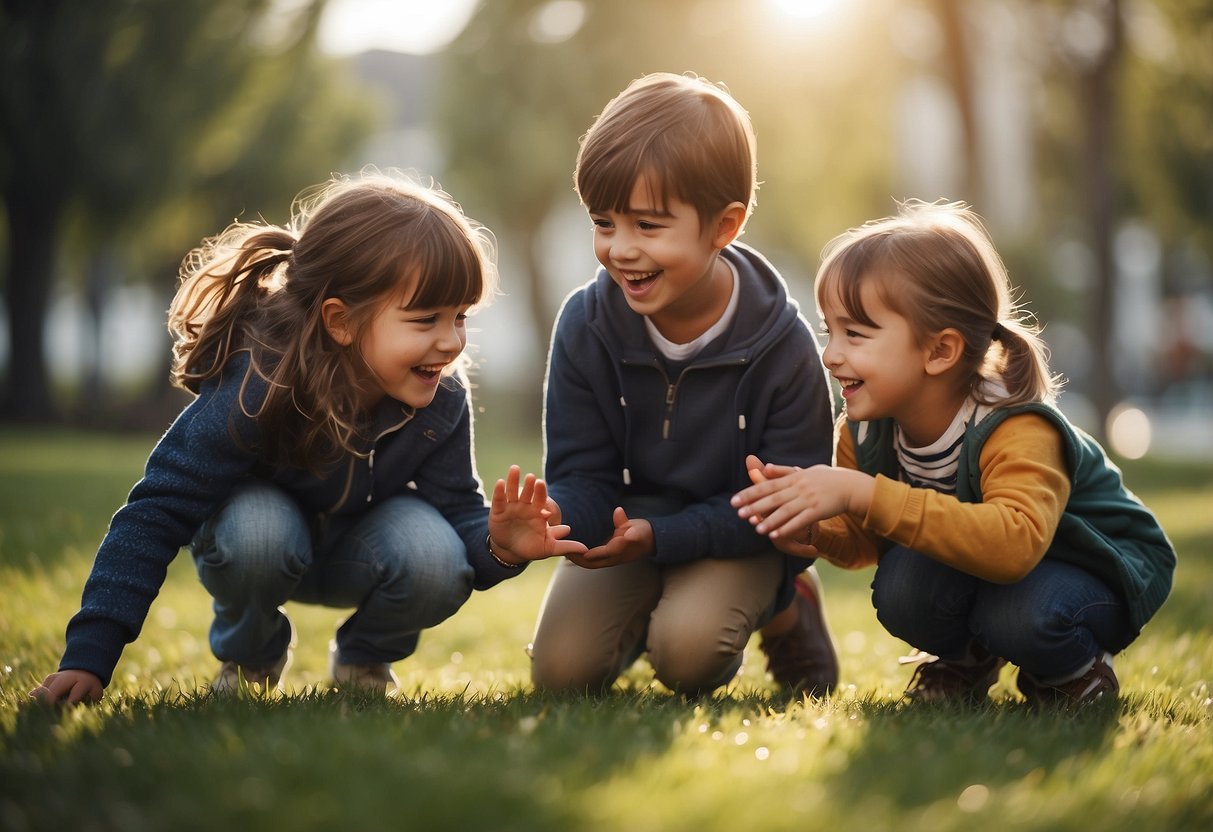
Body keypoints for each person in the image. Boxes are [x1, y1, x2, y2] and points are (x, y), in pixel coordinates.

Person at [29, 172, 584, 706]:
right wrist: (89, 655)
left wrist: (497, 547)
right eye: (426, 320)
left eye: (461, 317)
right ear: (340, 321)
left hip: (360, 551)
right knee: (259, 532)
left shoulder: (440, 397)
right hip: (260, 547)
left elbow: (455, 512)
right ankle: (252, 655)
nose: (452, 342)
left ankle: (364, 658)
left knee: (434, 555)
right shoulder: (257, 386)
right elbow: (156, 510)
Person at [733, 200, 1176, 706]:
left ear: (939, 351)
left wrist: (863, 491)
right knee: (902, 587)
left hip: (1096, 566)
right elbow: (866, 540)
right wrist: (811, 527)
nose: (831, 353)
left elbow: (1013, 543)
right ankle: (966, 658)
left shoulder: (1013, 426)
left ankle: (1076, 668)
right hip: (1000, 571)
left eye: (854, 333)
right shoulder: (866, 431)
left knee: (1020, 614)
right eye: (828, 330)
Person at [528, 72, 839, 697]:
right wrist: (557, 516)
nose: (619, 249)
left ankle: (786, 606)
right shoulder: (585, 328)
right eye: (604, 221)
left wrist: (667, 537)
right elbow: (584, 473)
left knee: (689, 658)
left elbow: (783, 505)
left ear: (724, 226)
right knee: (561, 673)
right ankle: (653, 603)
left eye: (648, 225)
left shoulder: (782, 346)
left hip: (737, 534)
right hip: (632, 529)